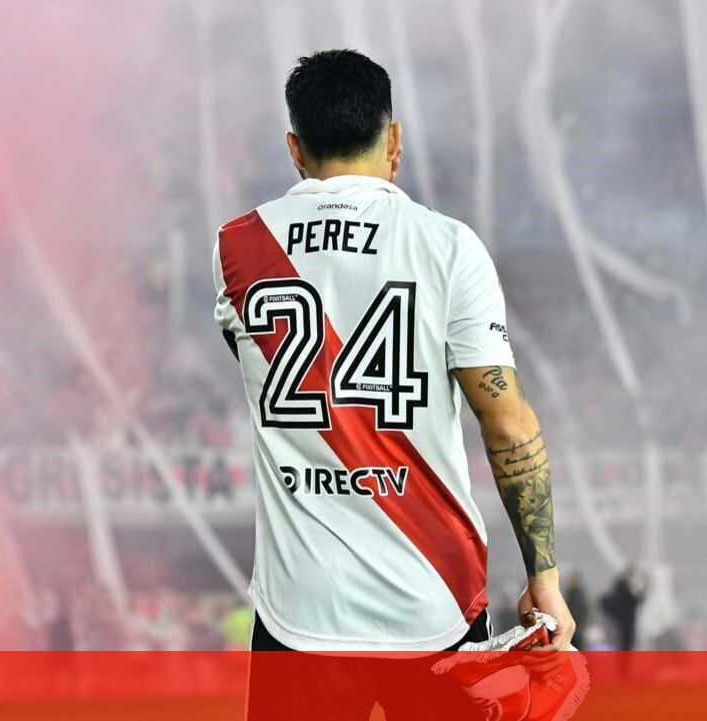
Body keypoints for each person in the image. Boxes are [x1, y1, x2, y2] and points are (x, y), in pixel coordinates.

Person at [212, 49, 573, 718]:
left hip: (301, 608)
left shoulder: (237, 246)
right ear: (395, 139)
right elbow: (507, 423)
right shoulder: (449, 246)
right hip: (433, 595)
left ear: (295, 149)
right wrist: (543, 577)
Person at [600, 566, 646, 651]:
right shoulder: (625, 588)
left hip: (619, 621)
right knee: (625, 643)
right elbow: (633, 601)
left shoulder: (622, 587)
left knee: (622, 643)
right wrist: (642, 593)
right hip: (624, 622)